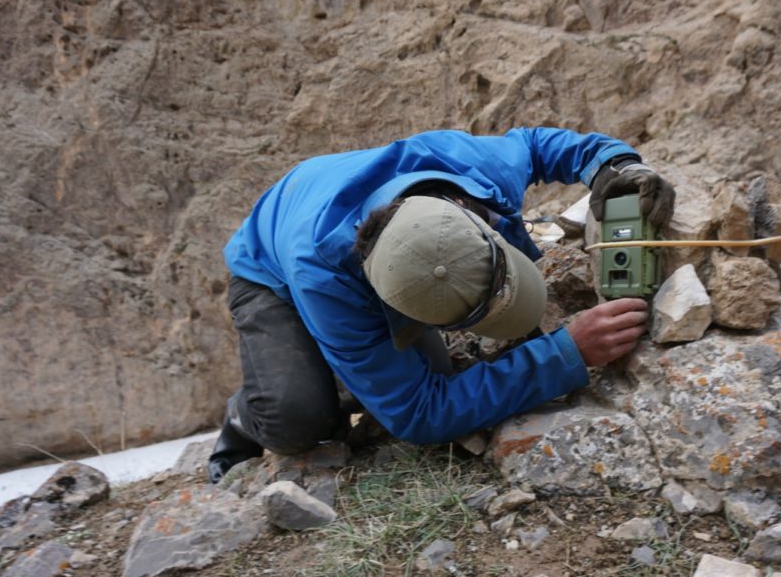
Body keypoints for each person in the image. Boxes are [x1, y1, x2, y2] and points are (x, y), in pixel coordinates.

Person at [208, 127, 675, 483]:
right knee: (299, 418)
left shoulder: (462, 170)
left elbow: (535, 145)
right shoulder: (326, 281)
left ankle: (337, 370)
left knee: (435, 381)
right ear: (390, 300)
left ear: (474, 217)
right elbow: (419, 413)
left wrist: (613, 165)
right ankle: (245, 413)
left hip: (337, 208)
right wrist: (567, 354)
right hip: (268, 270)